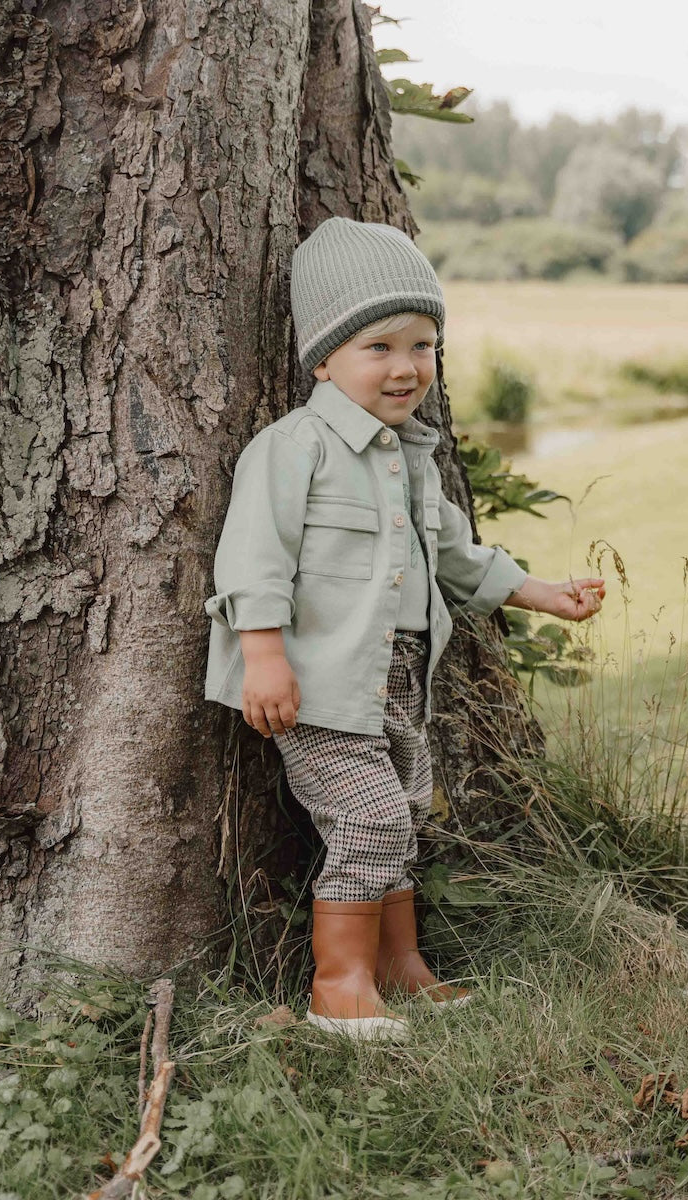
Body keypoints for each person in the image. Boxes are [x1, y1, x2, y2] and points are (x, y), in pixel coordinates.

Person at [204, 217, 606, 1041]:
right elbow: (254, 560)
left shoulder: (410, 458)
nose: (405, 367)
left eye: (422, 346)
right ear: (325, 358)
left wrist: (543, 594)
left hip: (399, 684)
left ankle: (399, 963)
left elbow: (457, 556)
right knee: (370, 820)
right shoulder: (294, 450)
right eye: (378, 347)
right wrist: (265, 658)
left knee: (406, 816)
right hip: (319, 688)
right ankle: (339, 985)